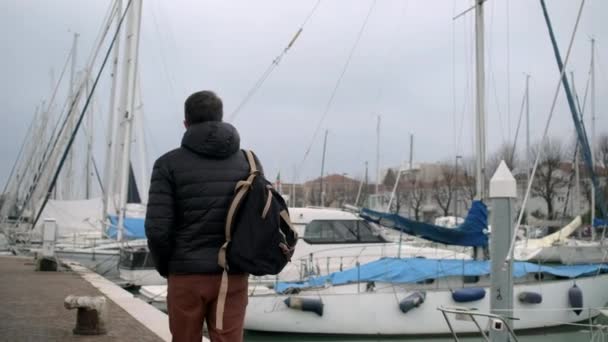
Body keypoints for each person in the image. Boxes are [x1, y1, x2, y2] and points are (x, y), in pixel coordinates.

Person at [145, 90, 260, 342]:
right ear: (220, 118)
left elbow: (157, 229)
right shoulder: (249, 162)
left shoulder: (167, 164)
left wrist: (169, 267)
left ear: (186, 122)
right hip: (232, 273)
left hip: (186, 273)